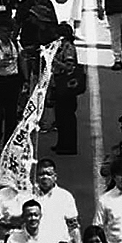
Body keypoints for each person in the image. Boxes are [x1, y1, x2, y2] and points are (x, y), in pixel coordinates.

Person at [48, 22, 81, 155]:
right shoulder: (61, 47)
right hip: (60, 84)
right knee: (60, 117)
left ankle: (68, 145)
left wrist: (52, 60)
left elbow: (69, 66)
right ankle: (62, 143)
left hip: (66, 86)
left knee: (66, 117)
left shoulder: (68, 48)